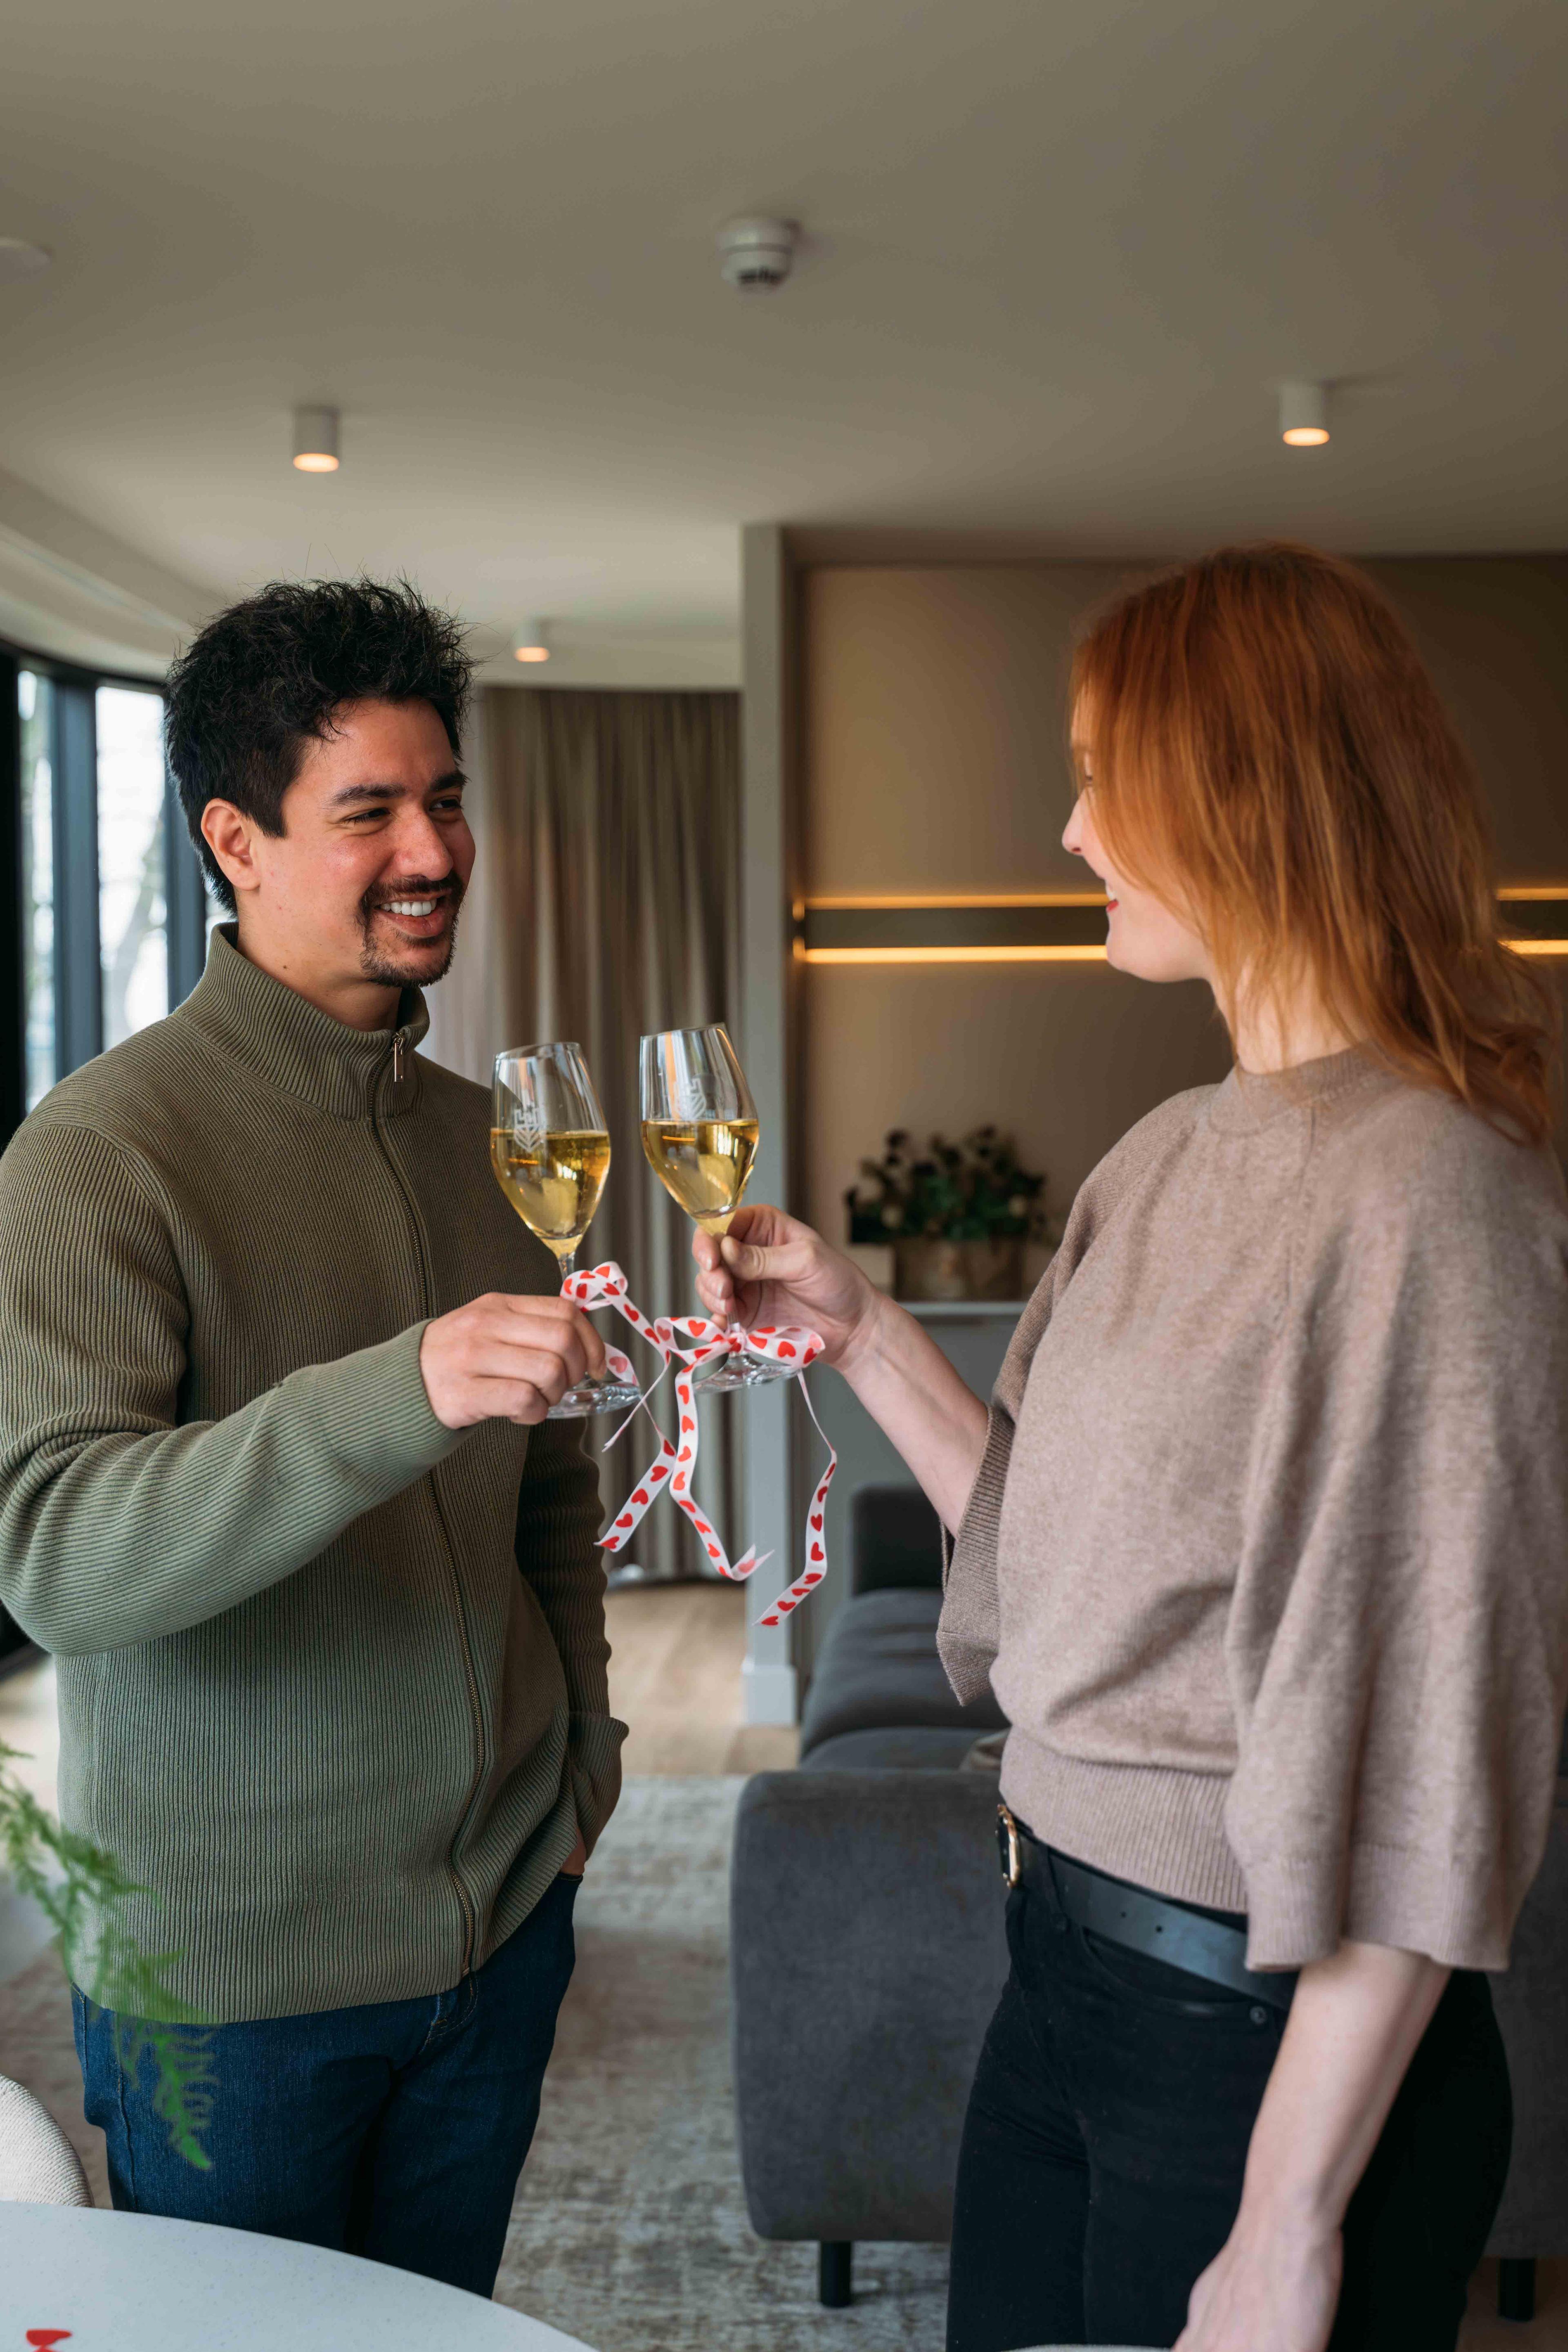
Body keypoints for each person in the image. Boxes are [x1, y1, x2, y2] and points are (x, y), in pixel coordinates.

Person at [696, 544, 1568, 2352]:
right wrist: (858, 1331)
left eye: (1105, 776)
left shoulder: (1434, 1204)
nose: (1076, 832)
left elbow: (1425, 1754)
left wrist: (1286, 2228)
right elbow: (1048, 1570)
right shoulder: (1166, 1149)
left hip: (1256, 2060)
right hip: (1062, 1979)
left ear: (1243, 799)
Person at [0, 579, 622, 2295]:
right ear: (237, 838)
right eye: (370, 812)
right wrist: (398, 1388)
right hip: (236, 1979)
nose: (432, 849)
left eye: (446, 798)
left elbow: (552, 1487)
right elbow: (56, 1551)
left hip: (503, 1926)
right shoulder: (97, 1153)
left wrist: (587, 1751)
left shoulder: (495, 1136)